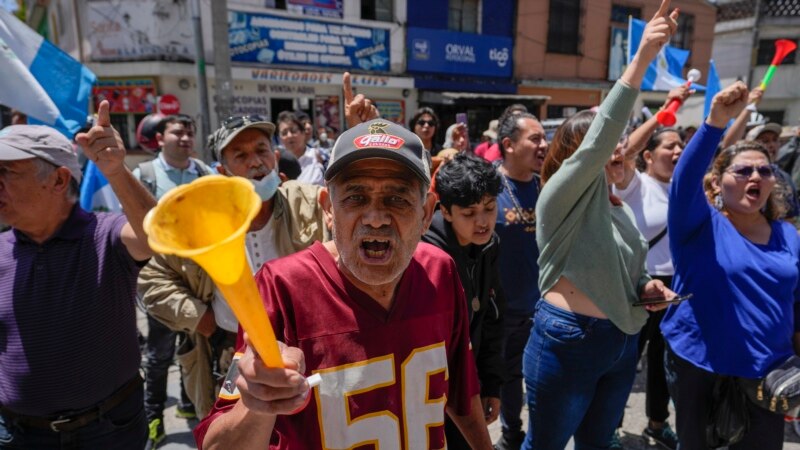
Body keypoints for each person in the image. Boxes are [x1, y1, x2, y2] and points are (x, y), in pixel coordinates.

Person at [194, 118, 493, 449]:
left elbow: (462, 395)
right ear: (328, 209)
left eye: (397, 198)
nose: (375, 217)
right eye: (355, 196)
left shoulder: (441, 271)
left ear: (426, 213)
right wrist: (259, 402)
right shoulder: (281, 286)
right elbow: (217, 445)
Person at [522, 2, 679, 448]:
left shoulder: (619, 207)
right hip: (568, 342)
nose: (615, 152)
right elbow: (600, 137)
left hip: (621, 340)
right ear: (578, 153)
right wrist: (642, 58)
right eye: (606, 145)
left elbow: (629, 268)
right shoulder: (558, 196)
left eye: (619, 146)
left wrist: (648, 287)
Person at [138, 115, 329, 422]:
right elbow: (151, 279)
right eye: (241, 156)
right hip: (228, 347)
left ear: (276, 157)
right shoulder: (199, 220)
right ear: (222, 172)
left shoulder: (308, 203)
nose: (256, 163)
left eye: (262, 150)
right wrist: (201, 319)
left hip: (303, 345)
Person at [0, 102, 155, 448]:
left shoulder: (105, 235)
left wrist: (117, 170)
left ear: (58, 179)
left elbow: (156, 236)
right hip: (17, 435)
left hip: (109, 432)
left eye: (6, 172)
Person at [661, 81, 800, 449]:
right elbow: (683, 179)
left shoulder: (789, 236)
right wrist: (715, 122)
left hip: (769, 371)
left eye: (765, 171)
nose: (756, 177)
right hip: (700, 367)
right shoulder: (698, 223)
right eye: (742, 171)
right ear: (717, 183)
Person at [610, 85, 692, 450]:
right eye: (669, 146)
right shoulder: (634, 184)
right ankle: (609, 425)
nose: (677, 151)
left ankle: (658, 423)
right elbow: (621, 152)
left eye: (680, 146)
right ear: (648, 155)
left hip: (675, 287)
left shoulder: (683, 187)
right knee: (623, 360)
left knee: (663, 362)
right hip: (637, 285)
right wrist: (666, 109)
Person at [130, 113, 210, 449]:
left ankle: (190, 403)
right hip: (162, 280)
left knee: (195, 346)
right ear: (160, 138)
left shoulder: (205, 173)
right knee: (160, 353)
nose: (185, 138)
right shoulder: (144, 175)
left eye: (190, 133)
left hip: (201, 278)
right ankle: (153, 418)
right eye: (178, 132)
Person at [422, 152, 506, 449]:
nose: (483, 222)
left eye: (490, 208)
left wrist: (491, 384)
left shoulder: (489, 245)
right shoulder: (425, 258)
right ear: (444, 211)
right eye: (469, 214)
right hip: (432, 392)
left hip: (472, 385)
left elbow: (492, 318)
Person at [492, 110, 547, 450]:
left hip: (544, 307)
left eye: (544, 138)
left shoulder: (549, 186)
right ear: (509, 144)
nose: (544, 145)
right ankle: (512, 433)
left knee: (542, 379)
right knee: (507, 378)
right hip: (502, 310)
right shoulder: (488, 188)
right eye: (535, 138)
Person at [276, 111, 325, 186]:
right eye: (284, 133)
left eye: (293, 131)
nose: (289, 136)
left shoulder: (317, 156)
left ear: (303, 133)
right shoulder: (276, 161)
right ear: (280, 138)